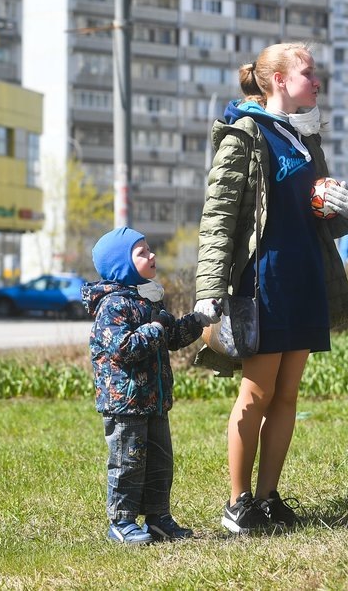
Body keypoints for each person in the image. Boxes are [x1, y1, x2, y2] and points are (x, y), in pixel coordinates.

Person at [193, 43, 348, 534]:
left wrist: (346, 211)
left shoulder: (306, 138)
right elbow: (219, 219)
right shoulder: (244, 134)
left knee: (287, 394)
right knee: (257, 392)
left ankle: (268, 498)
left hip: (304, 275)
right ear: (279, 81)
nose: (317, 82)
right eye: (308, 74)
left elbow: (316, 216)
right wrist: (209, 289)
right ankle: (237, 502)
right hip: (262, 279)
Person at [82, 226, 212, 545]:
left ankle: (158, 518)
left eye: (149, 249)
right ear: (122, 265)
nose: (152, 255)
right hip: (125, 404)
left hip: (153, 401)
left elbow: (171, 337)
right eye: (142, 252)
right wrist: (155, 327)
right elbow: (123, 349)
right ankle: (121, 521)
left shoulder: (147, 298)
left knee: (160, 463)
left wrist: (197, 320)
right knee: (128, 463)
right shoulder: (113, 305)